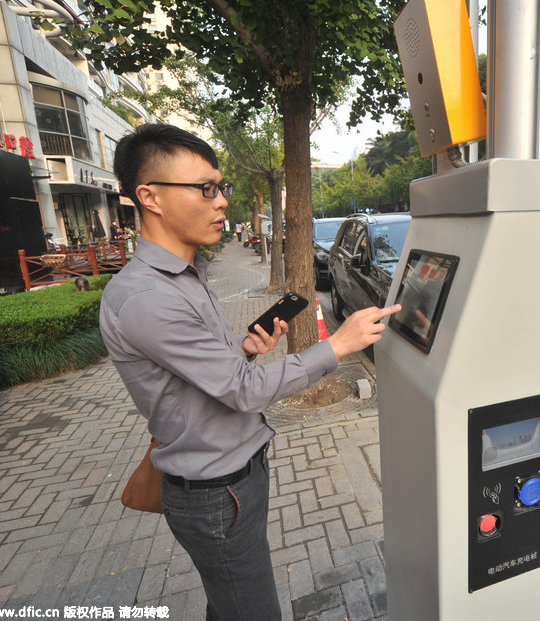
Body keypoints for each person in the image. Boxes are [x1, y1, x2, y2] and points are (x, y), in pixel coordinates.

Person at [99, 123, 400, 621]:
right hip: (217, 494)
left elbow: (208, 377)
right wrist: (338, 346)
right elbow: (241, 393)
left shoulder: (186, 276)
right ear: (149, 197)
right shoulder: (147, 298)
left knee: (232, 606)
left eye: (222, 187)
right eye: (205, 189)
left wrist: (244, 350)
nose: (221, 202)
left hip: (234, 480)